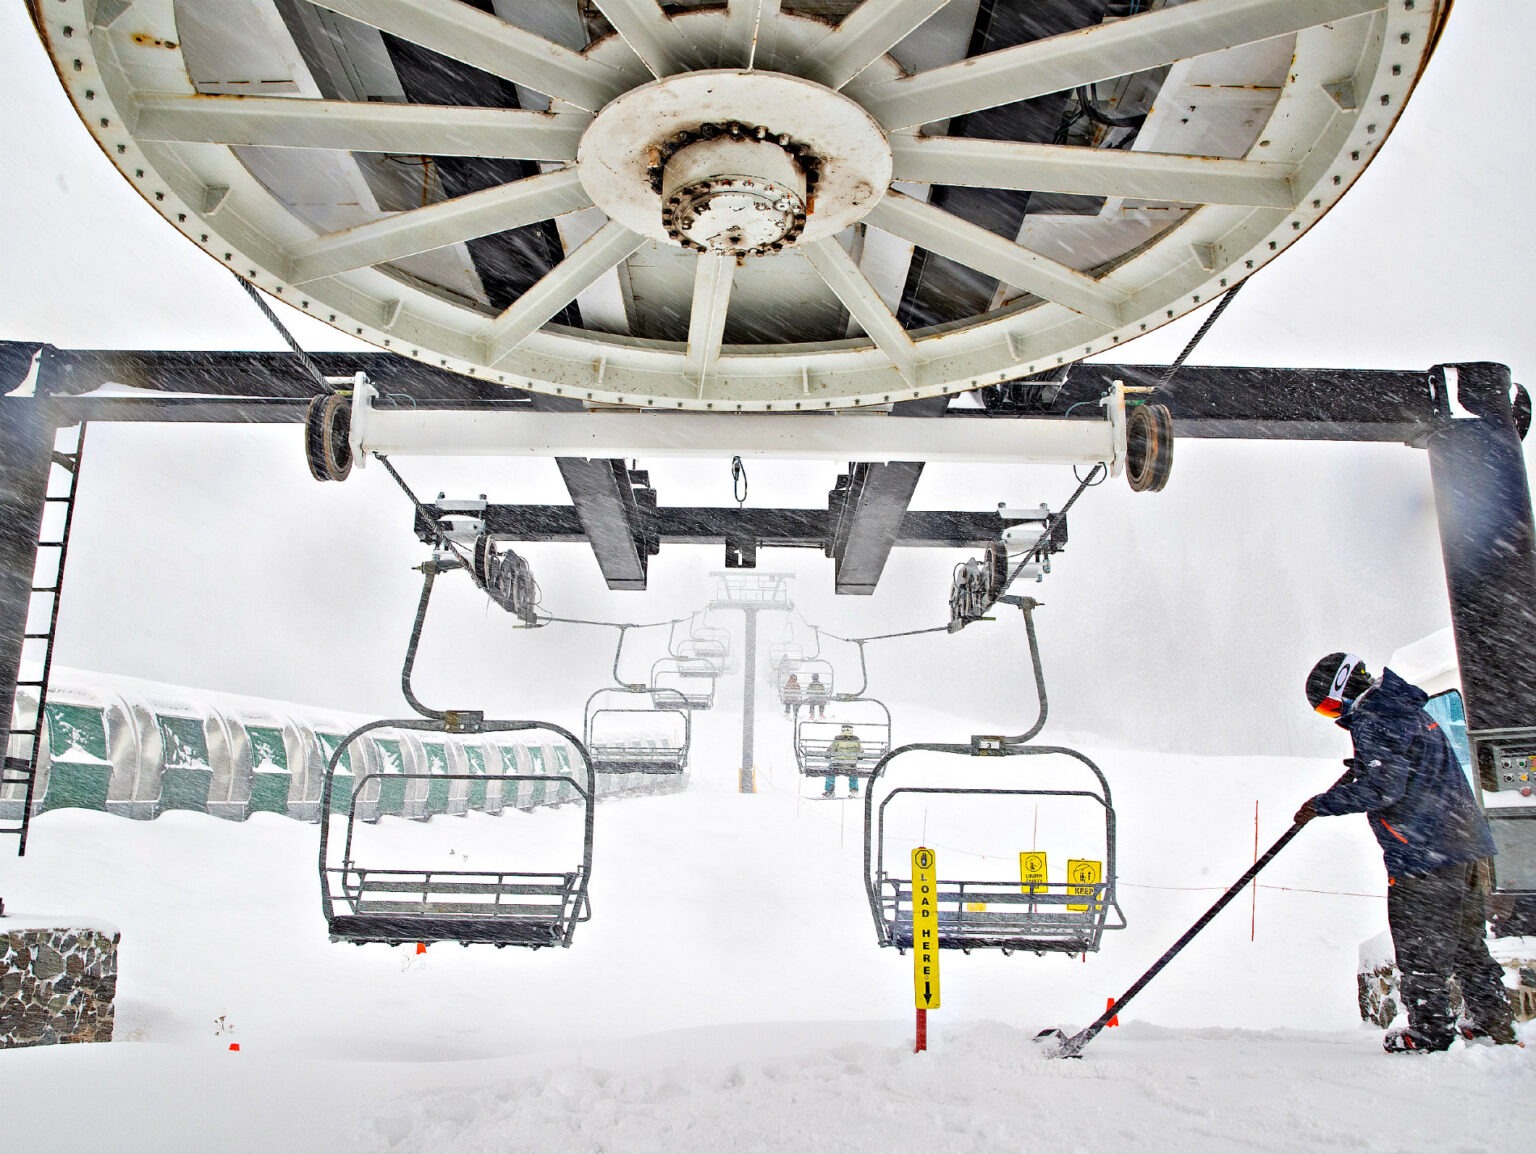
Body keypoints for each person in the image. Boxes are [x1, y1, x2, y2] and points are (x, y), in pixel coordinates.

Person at [1295, 652, 1518, 1053]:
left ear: (1344, 690)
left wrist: (1321, 804)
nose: (1336, 717)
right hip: (1463, 843)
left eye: (1330, 707)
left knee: (1420, 945)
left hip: (1424, 852)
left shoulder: (1374, 717)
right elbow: (1402, 770)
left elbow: (1385, 788)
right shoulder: (1402, 707)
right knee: (1467, 944)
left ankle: (1430, 1032)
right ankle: (1493, 1023)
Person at [824, 724, 862, 799]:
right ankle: (854, 790)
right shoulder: (856, 740)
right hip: (851, 765)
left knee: (830, 771)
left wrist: (828, 753)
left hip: (838, 764)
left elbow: (831, 750)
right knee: (853, 773)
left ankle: (829, 791)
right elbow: (860, 752)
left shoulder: (838, 739)